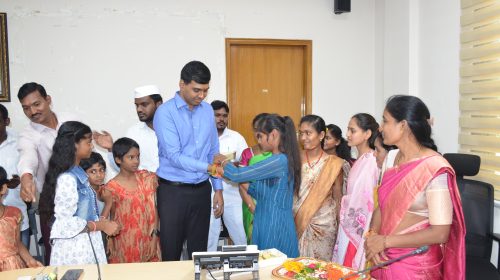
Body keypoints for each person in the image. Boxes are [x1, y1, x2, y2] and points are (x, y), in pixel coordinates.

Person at [366, 95, 465, 279]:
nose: (380, 127)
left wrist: (385, 241)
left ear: (403, 125)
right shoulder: (391, 158)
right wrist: (373, 237)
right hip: (382, 256)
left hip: (415, 264)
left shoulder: (435, 168)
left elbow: (440, 233)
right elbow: (383, 207)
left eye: (385, 121)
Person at [153, 61, 223, 261]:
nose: (201, 96)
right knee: (172, 251)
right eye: (196, 90)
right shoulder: (165, 113)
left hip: (202, 189)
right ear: (181, 84)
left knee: (198, 252)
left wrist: (217, 188)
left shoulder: (207, 110)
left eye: (205, 91)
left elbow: (213, 150)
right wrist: (208, 168)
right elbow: (174, 156)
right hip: (173, 192)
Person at [218, 114, 301, 257]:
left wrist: (223, 161)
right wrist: (231, 174)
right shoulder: (277, 160)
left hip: (275, 223)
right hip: (264, 218)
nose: (259, 142)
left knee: (273, 267)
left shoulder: (279, 161)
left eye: (260, 136)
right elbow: (257, 191)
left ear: (273, 134)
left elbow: (237, 175)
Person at [41, 121, 120, 265]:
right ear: (75, 144)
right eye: (89, 142)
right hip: (75, 249)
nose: (92, 146)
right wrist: (101, 226)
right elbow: (66, 223)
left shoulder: (79, 174)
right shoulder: (67, 178)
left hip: (87, 243)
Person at [17, 82, 78, 264]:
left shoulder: (70, 120)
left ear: (48, 100)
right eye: (26, 108)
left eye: (37, 104)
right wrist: (26, 177)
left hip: (80, 193)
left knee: (86, 246)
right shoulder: (28, 134)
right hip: (52, 201)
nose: (32, 111)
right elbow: (27, 156)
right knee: (58, 254)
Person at [294, 115, 344, 261]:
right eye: (301, 133)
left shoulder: (334, 164)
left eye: (308, 133)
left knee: (321, 269)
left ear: (321, 135)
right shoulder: (294, 159)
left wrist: (340, 226)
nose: (303, 138)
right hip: (297, 221)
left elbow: (337, 197)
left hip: (324, 225)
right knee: (296, 268)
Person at [102, 137, 161, 263]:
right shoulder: (111, 188)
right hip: (124, 244)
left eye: (138, 156)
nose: (136, 161)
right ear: (118, 160)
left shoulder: (147, 178)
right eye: (131, 157)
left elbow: (154, 209)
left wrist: (155, 237)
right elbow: (110, 218)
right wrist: (110, 240)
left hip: (149, 241)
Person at [332, 113, 379, 270]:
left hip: (359, 225)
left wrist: (344, 202)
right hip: (350, 220)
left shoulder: (371, 160)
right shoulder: (361, 159)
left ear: (367, 134)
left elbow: (365, 200)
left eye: (353, 131)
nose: (348, 135)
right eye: (348, 130)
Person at [207, 100, 247, 251]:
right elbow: (202, 166)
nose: (221, 119)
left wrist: (223, 165)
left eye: (224, 115)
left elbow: (245, 164)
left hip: (232, 193)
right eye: (217, 115)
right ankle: (208, 268)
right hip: (210, 193)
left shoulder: (236, 137)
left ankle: (246, 267)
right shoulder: (203, 137)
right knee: (211, 235)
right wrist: (223, 166)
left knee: (239, 235)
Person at [94, 85, 163, 172]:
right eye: (137, 105)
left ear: (158, 104)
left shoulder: (175, 128)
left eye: (144, 105)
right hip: (143, 184)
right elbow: (123, 170)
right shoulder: (133, 133)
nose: (139, 109)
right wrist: (111, 149)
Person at [0, 166, 43, 271]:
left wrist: (30, 261)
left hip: (12, 268)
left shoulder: (14, 214)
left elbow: (17, 243)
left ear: (3, 188)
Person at [238, 113, 272, 244]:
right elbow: (241, 182)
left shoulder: (279, 153)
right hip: (250, 201)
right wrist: (251, 206)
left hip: (273, 204)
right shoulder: (247, 153)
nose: (259, 133)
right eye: (257, 129)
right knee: (254, 241)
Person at [0, 104, 29, 248]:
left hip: (17, 215)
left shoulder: (21, 142)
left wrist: (21, 181)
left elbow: (33, 175)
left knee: (22, 264)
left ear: (6, 121)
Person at [323, 124, 352, 194]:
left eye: (327, 138)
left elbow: (339, 189)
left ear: (337, 142)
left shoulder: (341, 163)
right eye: (322, 137)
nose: (323, 141)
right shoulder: (318, 159)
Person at [79, 152, 110, 216]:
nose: (99, 175)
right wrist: (108, 203)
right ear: (83, 173)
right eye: (93, 171)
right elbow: (95, 225)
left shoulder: (106, 190)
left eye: (101, 170)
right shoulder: (83, 195)